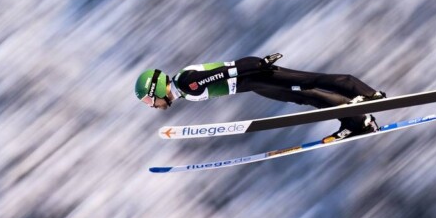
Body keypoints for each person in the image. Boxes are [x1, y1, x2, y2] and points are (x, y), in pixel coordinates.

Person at [134, 54, 386, 138]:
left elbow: (224, 72)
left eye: (148, 100)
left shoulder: (186, 84)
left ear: (157, 89)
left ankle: (367, 94)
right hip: (253, 84)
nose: (152, 105)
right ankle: (358, 121)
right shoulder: (183, 89)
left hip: (255, 74)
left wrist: (259, 65)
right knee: (305, 96)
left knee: (307, 81)